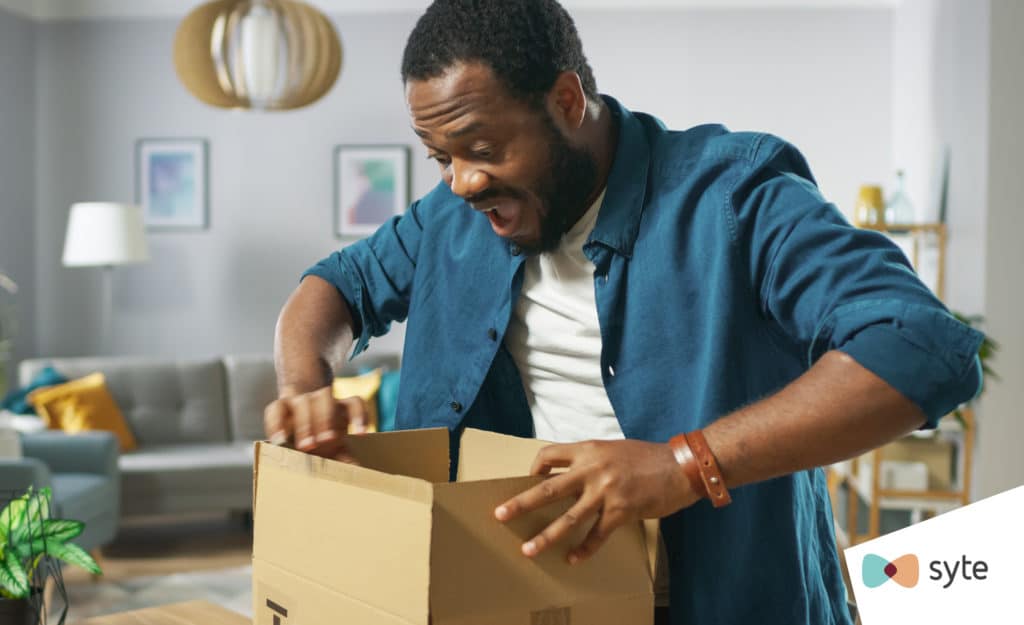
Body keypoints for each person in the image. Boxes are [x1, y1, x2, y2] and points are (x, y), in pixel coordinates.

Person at [263, 1, 984, 623]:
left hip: (713, 596)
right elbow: (334, 288)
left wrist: (682, 463)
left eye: (481, 150)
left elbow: (920, 346)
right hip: (506, 590)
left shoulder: (734, 194)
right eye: (438, 157)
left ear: (568, 102)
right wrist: (304, 387)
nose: (462, 182)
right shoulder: (450, 218)